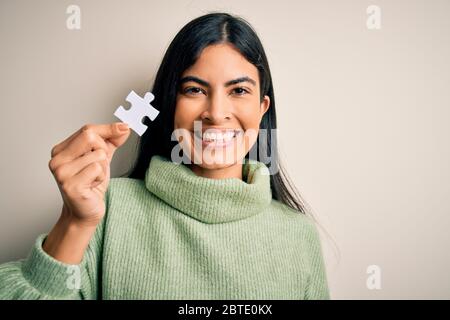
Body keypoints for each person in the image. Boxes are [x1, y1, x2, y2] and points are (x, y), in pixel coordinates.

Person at [0, 12, 330, 299]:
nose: (216, 113)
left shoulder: (297, 235)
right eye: (194, 90)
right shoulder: (104, 208)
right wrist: (75, 222)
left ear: (262, 109)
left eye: (239, 91)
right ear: (170, 106)